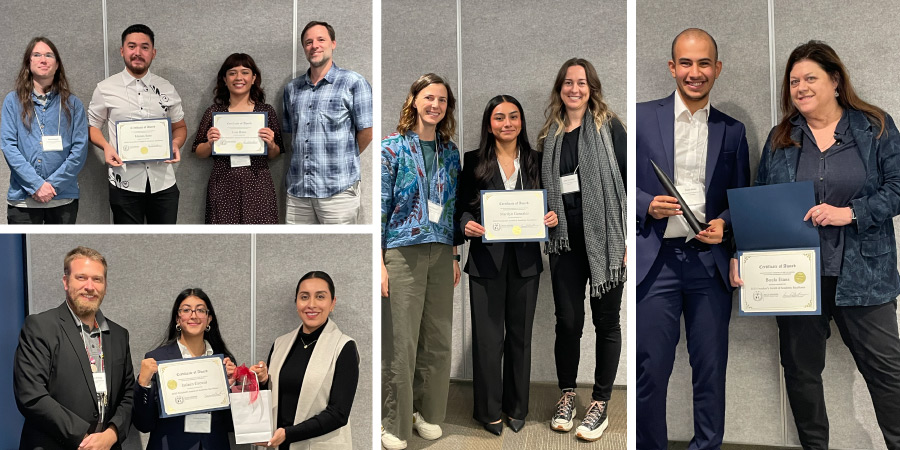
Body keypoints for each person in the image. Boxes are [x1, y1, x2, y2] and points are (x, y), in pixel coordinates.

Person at [733, 40, 900, 450]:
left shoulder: (874, 127)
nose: (801, 87)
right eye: (794, 81)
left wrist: (852, 212)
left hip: (865, 276)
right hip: (795, 280)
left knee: (888, 373)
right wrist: (742, 255)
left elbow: (898, 187)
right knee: (802, 373)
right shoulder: (781, 137)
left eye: (810, 78)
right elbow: (760, 203)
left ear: (836, 81)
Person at [635, 28, 750, 449]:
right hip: (656, 260)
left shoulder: (732, 131)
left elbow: (740, 198)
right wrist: (647, 203)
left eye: (704, 63)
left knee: (710, 371)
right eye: (686, 63)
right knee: (650, 371)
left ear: (717, 69)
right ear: (672, 67)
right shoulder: (642, 117)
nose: (694, 72)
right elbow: (620, 185)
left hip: (708, 264)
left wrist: (725, 223)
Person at [455, 94, 558, 435]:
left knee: (520, 338)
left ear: (521, 122)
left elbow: (549, 201)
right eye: (500, 118)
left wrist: (551, 216)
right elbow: (462, 209)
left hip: (527, 262)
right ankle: (488, 410)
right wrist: (466, 225)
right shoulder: (472, 161)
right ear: (489, 124)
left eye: (514, 117)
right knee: (487, 340)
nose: (508, 123)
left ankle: (517, 407)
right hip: (485, 262)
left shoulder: (536, 159)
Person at [537, 58, 626, 442]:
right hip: (565, 243)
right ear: (560, 88)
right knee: (568, 322)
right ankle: (567, 394)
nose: (575, 89)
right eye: (569, 83)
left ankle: (601, 402)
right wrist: (544, 215)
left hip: (605, 238)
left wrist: (625, 241)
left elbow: (627, 182)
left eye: (582, 83)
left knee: (606, 321)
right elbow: (542, 193)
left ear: (592, 88)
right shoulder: (549, 136)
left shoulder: (610, 127)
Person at [380, 73, 461, 449]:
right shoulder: (392, 148)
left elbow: (454, 207)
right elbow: (381, 210)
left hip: (443, 251)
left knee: (438, 339)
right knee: (402, 341)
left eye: (442, 100)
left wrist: (456, 254)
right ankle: (392, 421)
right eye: (429, 97)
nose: (435, 105)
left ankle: (427, 413)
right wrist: (377, 263)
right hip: (402, 252)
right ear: (414, 100)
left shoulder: (451, 152)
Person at [14, 246, 134, 449]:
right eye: (81, 278)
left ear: (105, 286)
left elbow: (128, 395)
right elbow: (31, 395)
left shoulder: (119, 335)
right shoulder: (41, 327)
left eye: (97, 279)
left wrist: (112, 434)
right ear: (65, 282)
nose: (90, 286)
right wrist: (82, 437)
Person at [132, 288, 260, 449]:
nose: (194, 315)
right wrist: (143, 383)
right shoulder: (157, 360)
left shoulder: (224, 361)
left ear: (209, 319)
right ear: (178, 319)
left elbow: (231, 424)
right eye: (186, 310)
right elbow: (144, 424)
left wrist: (234, 385)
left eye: (200, 310)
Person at [87, 24, 186, 224]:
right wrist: (106, 147)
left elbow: (180, 127)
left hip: (163, 183)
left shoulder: (166, 88)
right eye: (132, 46)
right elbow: (93, 127)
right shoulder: (105, 89)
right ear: (122, 51)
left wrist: (175, 144)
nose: (138, 52)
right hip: (124, 182)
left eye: (145, 47)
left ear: (153, 53)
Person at [282, 20, 373, 224]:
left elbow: (367, 132)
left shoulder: (353, 82)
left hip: (338, 191)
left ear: (333, 43)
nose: (314, 45)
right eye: (308, 42)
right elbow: (291, 135)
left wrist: (342, 158)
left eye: (321, 39)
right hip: (298, 193)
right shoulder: (292, 89)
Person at [257, 271, 358, 449]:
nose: (311, 304)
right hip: (279, 444)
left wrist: (289, 434)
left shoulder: (344, 347)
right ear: (296, 302)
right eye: (304, 297)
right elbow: (275, 397)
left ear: (332, 303)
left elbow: (338, 413)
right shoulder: (281, 344)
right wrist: (263, 381)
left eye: (320, 297)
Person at [2, 37, 87, 224]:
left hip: (63, 198)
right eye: (37, 55)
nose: (43, 59)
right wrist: (36, 185)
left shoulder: (73, 105)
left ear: (57, 65)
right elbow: (8, 147)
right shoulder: (12, 102)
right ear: (28, 62)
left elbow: (79, 150)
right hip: (23, 200)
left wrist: (52, 185)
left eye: (49, 55)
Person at [192, 53, 283, 224]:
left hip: (258, 185)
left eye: (245, 72)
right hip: (223, 185)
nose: (239, 77)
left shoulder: (266, 111)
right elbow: (198, 152)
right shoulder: (214, 112)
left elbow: (275, 154)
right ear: (225, 79)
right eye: (232, 73)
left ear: (254, 78)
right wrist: (210, 143)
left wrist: (271, 144)